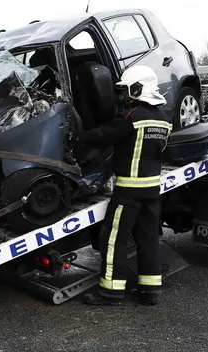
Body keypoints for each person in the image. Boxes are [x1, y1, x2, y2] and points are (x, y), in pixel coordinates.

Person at [76, 65, 172, 306]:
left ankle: (110, 292)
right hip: (152, 192)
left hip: (128, 193)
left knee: (113, 239)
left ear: (138, 89)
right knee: (148, 240)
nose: (125, 96)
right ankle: (151, 291)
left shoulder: (130, 117)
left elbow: (102, 135)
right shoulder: (164, 120)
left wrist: (78, 136)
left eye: (128, 91)